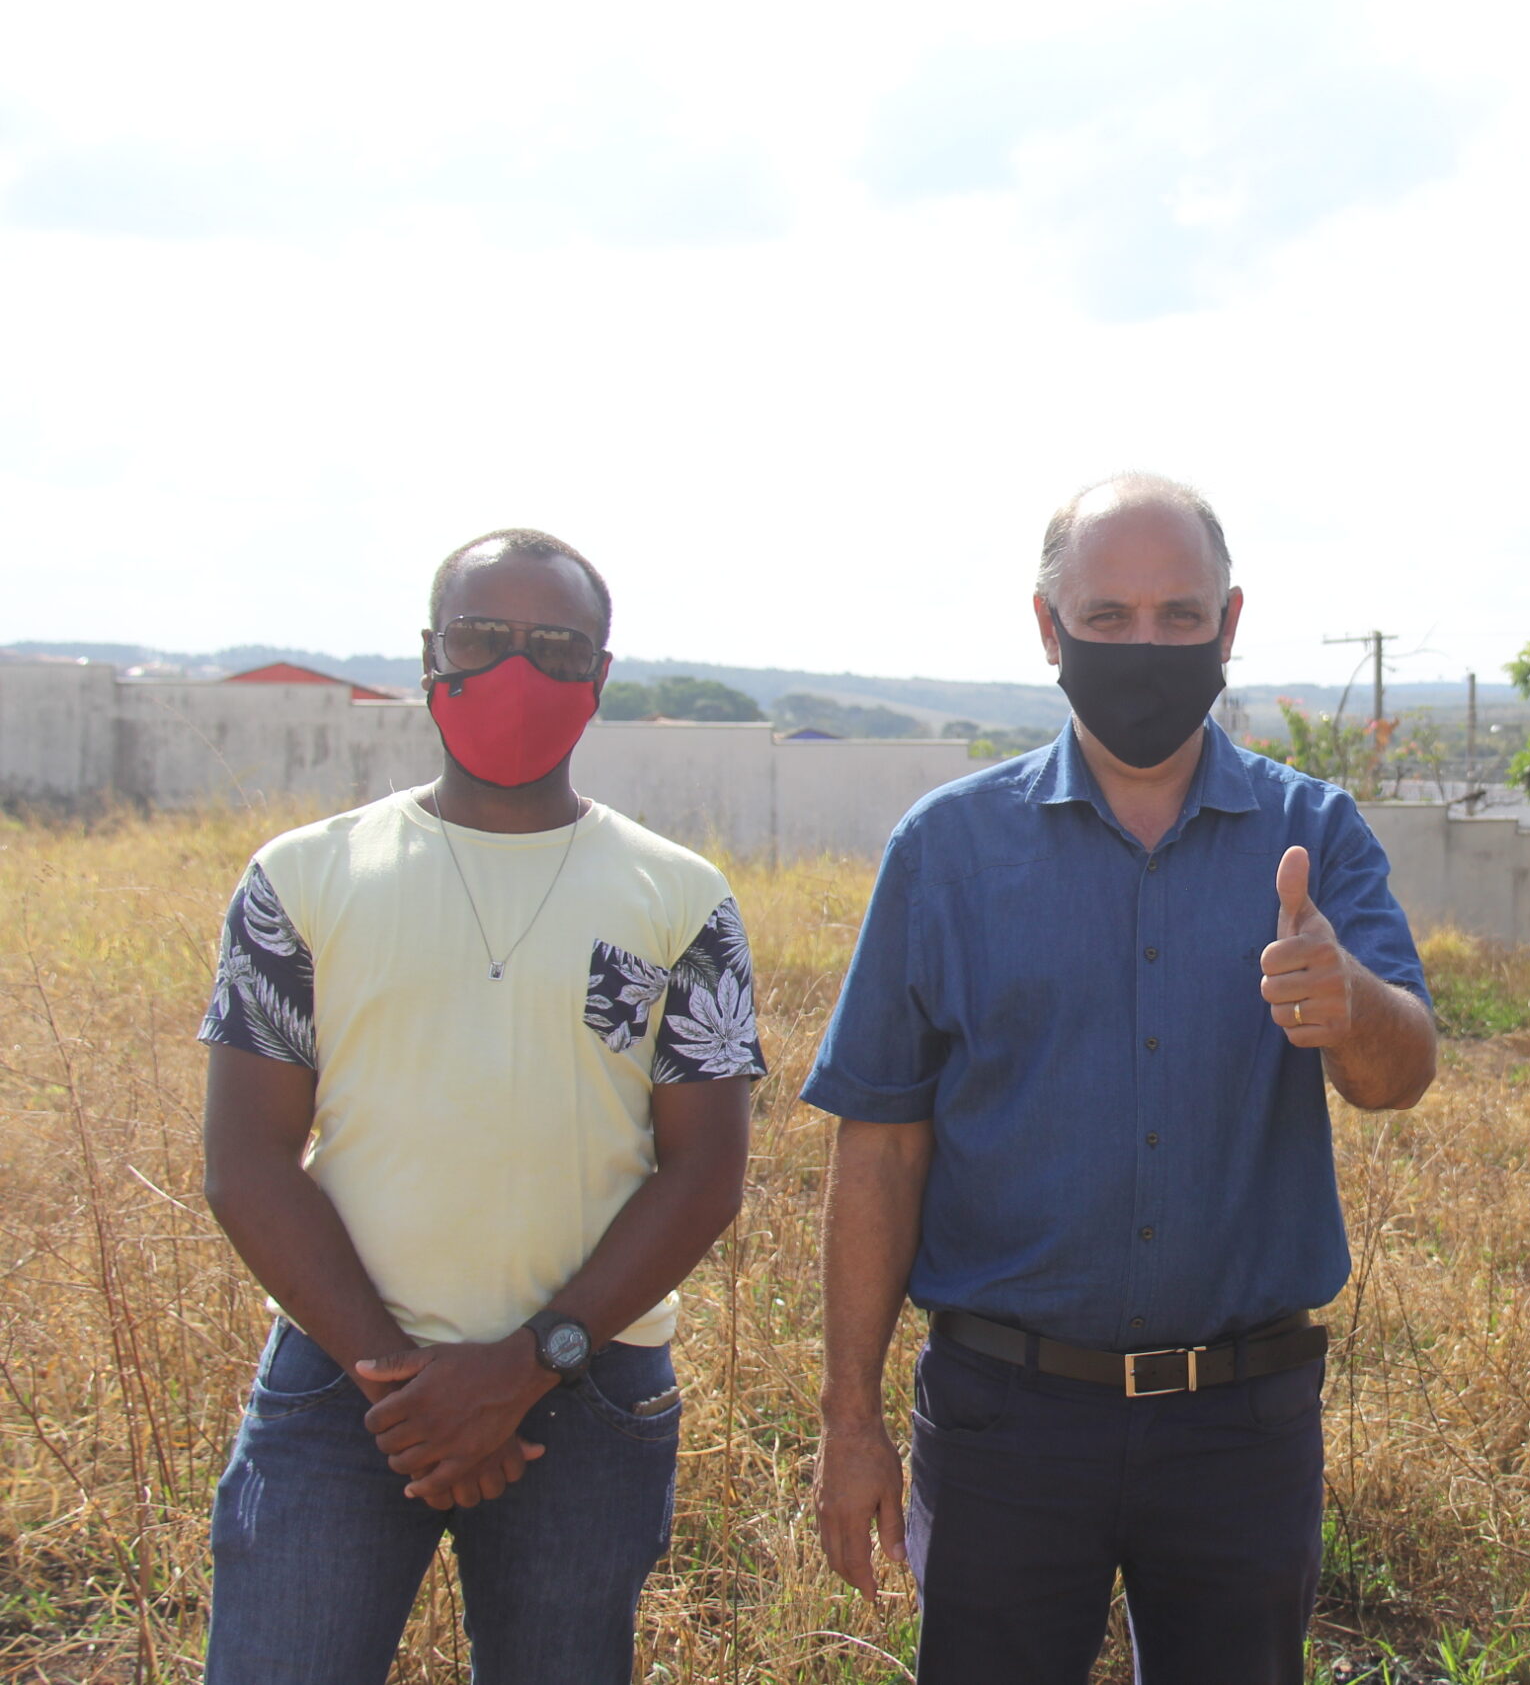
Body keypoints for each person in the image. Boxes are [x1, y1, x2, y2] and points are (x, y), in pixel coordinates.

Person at [804, 473, 1439, 1684]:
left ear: (1228, 624)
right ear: (1048, 629)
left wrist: (1346, 1000)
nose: (1143, 644)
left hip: (1238, 1427)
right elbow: (878, 1144)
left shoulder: (1314, 831)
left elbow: (1398, 1073)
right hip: (1005, 1421)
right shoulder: (947, 849)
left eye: (1175, 615)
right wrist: (850, 1419)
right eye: (1106, 618)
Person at [197, 528, 765, 1684]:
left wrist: (524, 1367)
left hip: (587, 1392)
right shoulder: (302, 877)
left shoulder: (680, 896)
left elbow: (703, 1172)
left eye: (557, 647)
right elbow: (247, 1161)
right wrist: (404, 1386)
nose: (518, 671)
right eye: (484, 640)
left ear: (600, 679)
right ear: (428, 659)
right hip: (341, 1394)